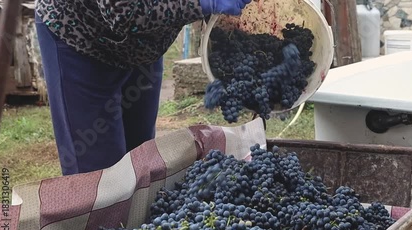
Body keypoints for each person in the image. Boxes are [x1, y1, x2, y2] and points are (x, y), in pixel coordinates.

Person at [35, 0, 251, 176]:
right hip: (81, 35)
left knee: (140, 164)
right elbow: (122, 11)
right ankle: (98, 229)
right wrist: (201, 3)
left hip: (144, 45)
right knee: (99, 177)